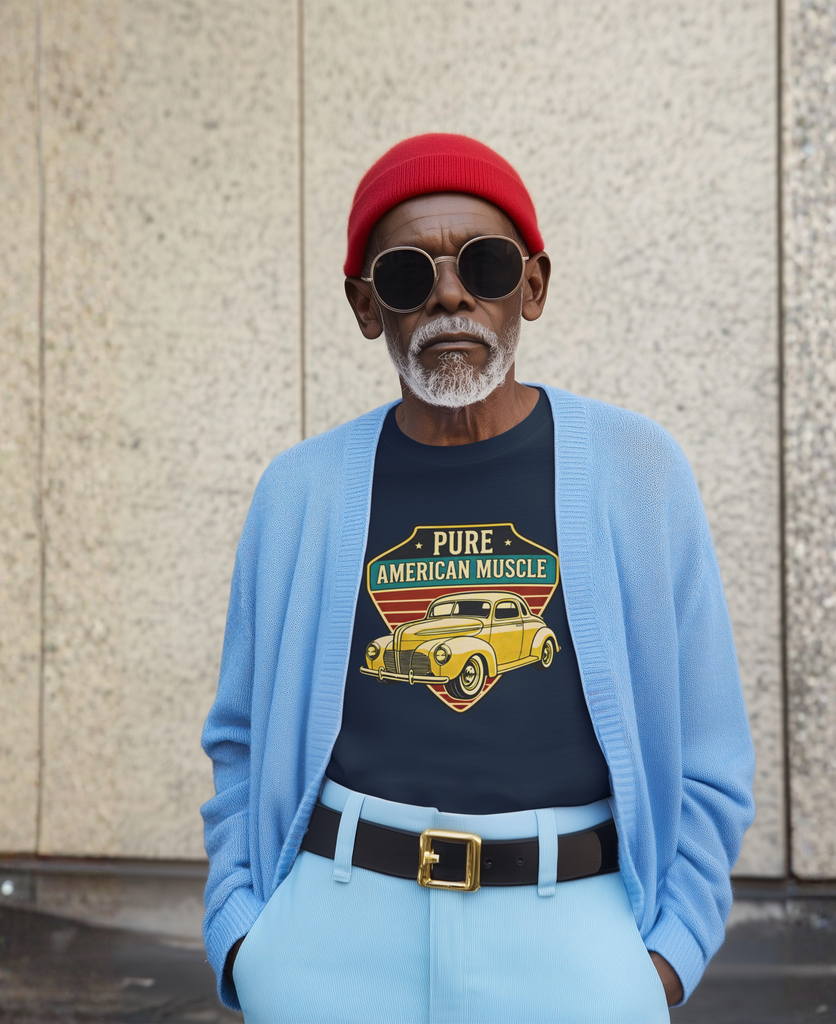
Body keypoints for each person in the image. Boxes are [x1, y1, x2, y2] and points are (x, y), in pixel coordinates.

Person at [201, 133, 755, 1022]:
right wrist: (244, 932)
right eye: (408, 275)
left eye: (486, 265)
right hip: (330, 936)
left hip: (574, 936)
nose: (451, 294)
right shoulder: (299, 490)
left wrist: (666, 955)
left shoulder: (638, 469)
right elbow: (239, 734)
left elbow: (709, 749)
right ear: (365, 305)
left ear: (531, 286)